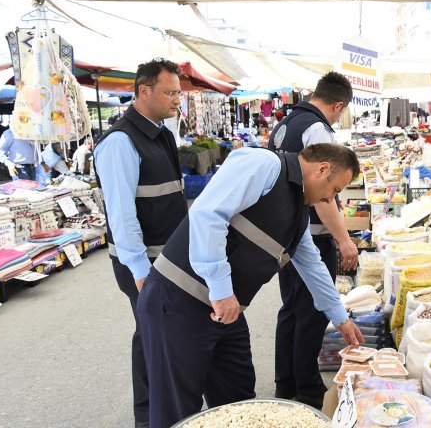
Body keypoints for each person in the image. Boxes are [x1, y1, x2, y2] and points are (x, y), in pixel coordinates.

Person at [137, 143, 365, 428]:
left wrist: (340, 317)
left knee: (240, 402)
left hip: (227, 311)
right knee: (178, 408)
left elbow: (312, 264)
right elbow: (208, 214)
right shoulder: (265, 164)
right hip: (178, 301)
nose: (331, 199)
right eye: (335, 190)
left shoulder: (298, 210)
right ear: (322, 169)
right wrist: (221, 290)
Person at [94, 58, 188, 428]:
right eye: (170, 92)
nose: (177, 100)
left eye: (179, 92)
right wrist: (139, 271)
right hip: (145, 264)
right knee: (156, 340)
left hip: (166, 259)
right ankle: (150, 418)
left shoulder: (161, 133)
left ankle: (158, 414)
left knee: (156, 337)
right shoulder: (120, 142)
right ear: (143, 91)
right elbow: (121, 215)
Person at [267, 71, 358, 409]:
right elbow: (324, 197)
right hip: (310, 235)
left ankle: (285, 382)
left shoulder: (285, 123)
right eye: (340, 112)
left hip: (289, 234)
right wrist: (344, 240)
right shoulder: (318, 128)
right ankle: (306, 390)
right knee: (311, 312)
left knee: (291, 309)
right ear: (338, 105)